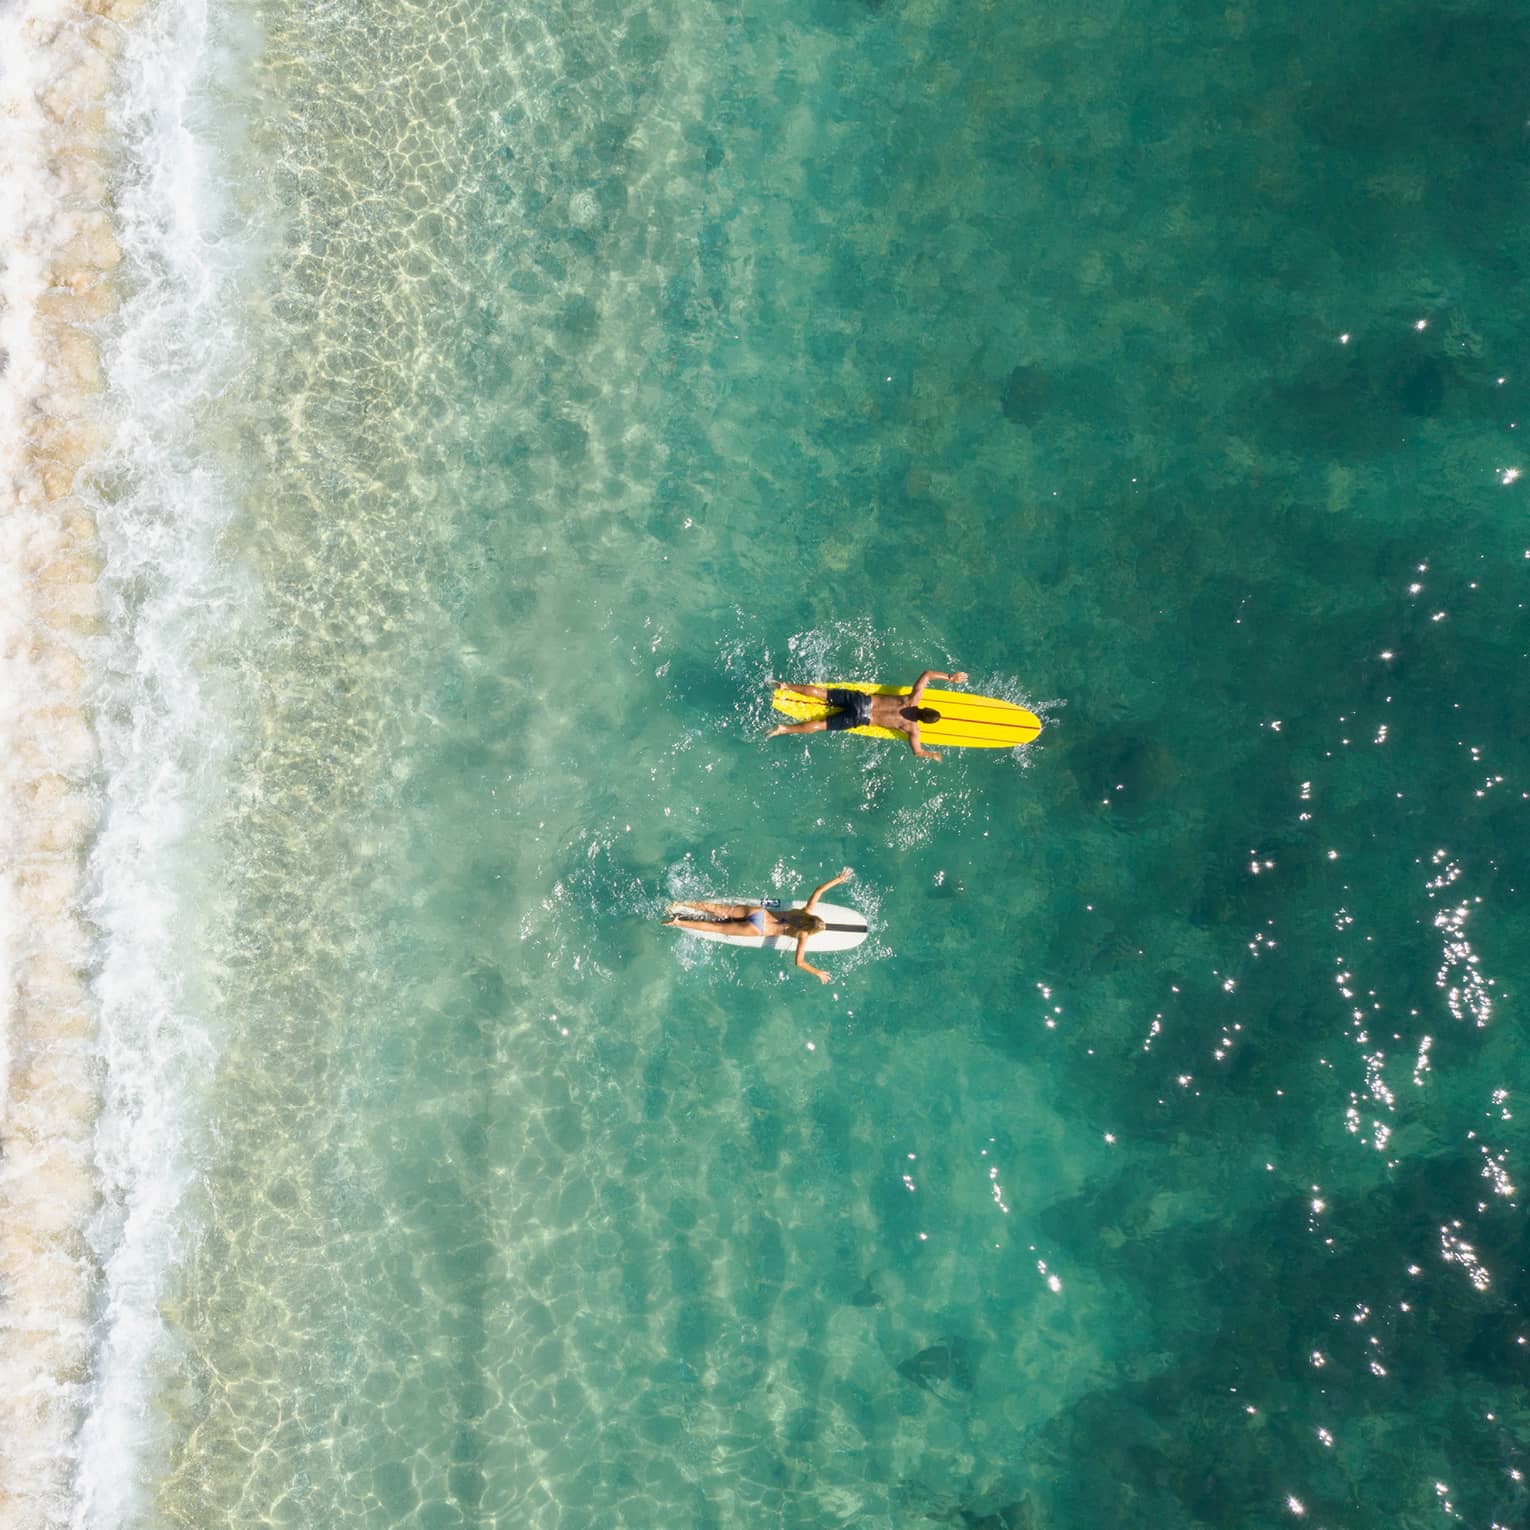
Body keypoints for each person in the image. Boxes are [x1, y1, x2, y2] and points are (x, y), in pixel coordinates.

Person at [663, 868, 853, 984]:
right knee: (718, 928)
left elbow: (818, 890)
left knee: (720, 909)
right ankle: (678, 921)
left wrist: (839, 879)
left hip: (759, 913)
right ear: (812, 930)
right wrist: (817, 972)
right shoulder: (803, 935)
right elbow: (799, 962)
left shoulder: (806, 910)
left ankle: (681, 903)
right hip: (759, 930)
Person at [765, 669, 970, 761]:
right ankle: (784, 729)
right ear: (924, 722)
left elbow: (926, 674)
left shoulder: (912, 699)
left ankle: (785, 685)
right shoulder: (912, 729)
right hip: (861, 719)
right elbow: (916, 752)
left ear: (925, 708)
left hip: (863, 702)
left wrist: (950, 677)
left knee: (822, 693)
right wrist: (931, 754)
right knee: (820, 725)